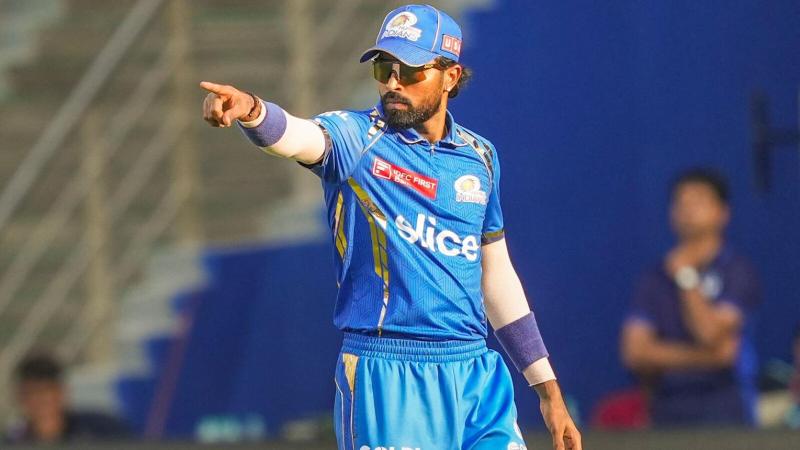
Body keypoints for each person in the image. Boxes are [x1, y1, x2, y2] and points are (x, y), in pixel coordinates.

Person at [201, 5, 581, 449]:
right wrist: (251, 109)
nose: (393, 83)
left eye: (411, 71)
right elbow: (299, 136)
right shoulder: (357, 138)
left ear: (451, 76)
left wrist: (547, 389)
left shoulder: (480, 157)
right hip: (387, 373)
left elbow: (495, 276)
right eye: (384, 68)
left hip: (475, 374)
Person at [620, 168, 762, 426]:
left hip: (725, 412)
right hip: (666, 411)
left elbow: (710, 333)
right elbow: (635, 353)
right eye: (681, 202)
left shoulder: (737, 271)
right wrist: (708, 357)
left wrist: (686, 276)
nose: (688, 210)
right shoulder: (655, 277)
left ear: (723, 212)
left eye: (698, 201)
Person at [4, 353, 131, 444]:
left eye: (46, 391)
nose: (40, 401)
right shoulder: (12, 441)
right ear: (20, 397)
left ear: (61, 392)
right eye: (32, 393)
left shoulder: (102, 429)